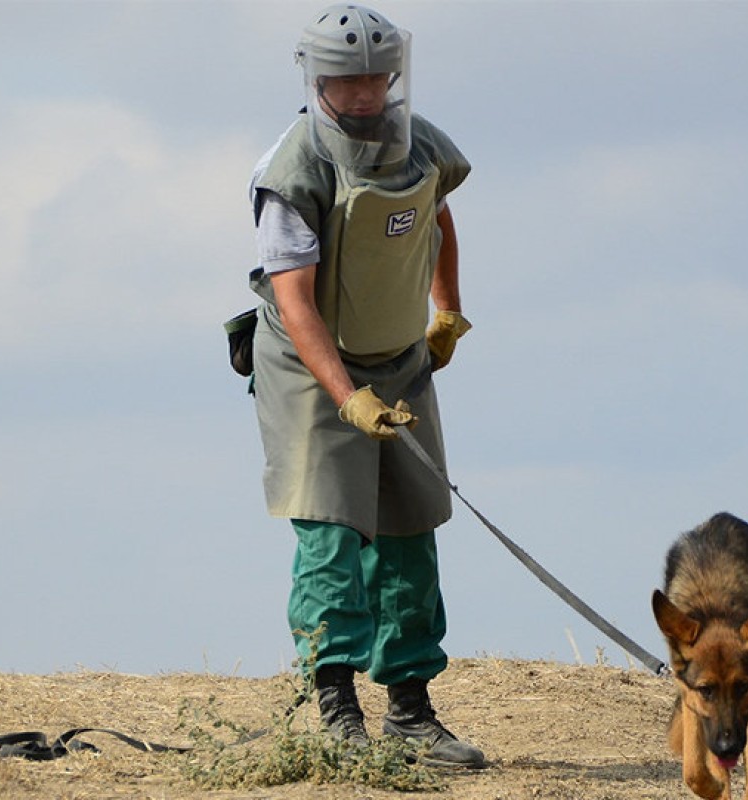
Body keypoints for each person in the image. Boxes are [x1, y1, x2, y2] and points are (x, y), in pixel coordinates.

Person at [245, 4, 483, 769]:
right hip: (312, 365)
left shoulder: (418, 142)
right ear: (320, 77)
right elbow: (293, 300)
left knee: (412, 527)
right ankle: (337, 711)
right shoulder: (295, 169)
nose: (369, 89)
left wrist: (447, 311)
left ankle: (411, 711)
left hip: (398, 354)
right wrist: (346, 395)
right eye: (351, 77)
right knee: (332, 532)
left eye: (380, 72)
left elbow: (437, 220)